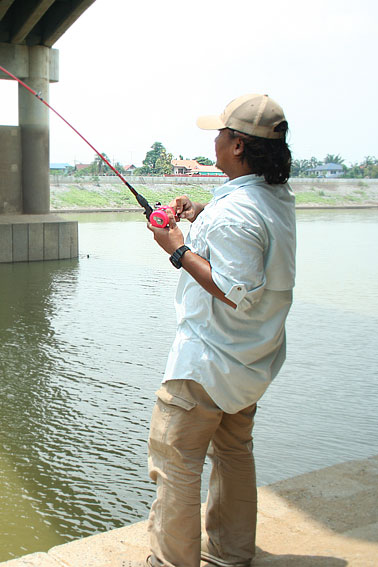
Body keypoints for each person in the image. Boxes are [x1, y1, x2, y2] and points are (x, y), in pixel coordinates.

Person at [144, 94, 297, 567]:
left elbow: (235, 290)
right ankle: (230, 555)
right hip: (249, 361)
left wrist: (176, 248)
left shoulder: (237, 213)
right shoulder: (274, 197)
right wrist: (197, 215)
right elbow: (240, 232)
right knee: (233, 451)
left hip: (208, 363)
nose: (212, 140)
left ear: (237, 146)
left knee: (175, 460)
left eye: (219, 133)